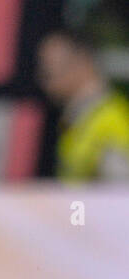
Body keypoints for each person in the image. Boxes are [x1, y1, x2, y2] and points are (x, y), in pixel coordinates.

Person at [36, 29, 129, 181]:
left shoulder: (110, 121)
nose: (43, 80)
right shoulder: (83, 118)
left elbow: (121, 193)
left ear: (83, 62)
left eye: (49, 71)